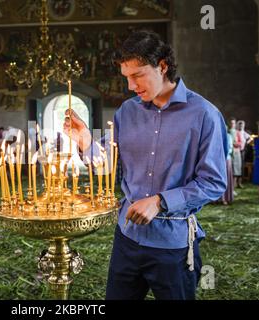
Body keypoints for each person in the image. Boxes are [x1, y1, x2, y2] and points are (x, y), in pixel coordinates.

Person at [64, 30, 227, 300]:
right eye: (126, 77)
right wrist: (84, 141)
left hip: (172, 244)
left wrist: (160, 201)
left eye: (137, 75)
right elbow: (106, 167)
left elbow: (214, 183)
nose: (131, 86)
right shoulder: (126, 113)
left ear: (162, 66)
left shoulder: (204, 115)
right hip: (127, 238)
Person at [236, 120, 252, 188]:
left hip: (242, 151)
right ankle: (235, 182)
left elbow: (250, 138)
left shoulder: (244, 133)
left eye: (242, 125)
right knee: (236, 167)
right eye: (240, 125)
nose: (241, 126)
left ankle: (240, 182)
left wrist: (246, 142)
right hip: (236, 151)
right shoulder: (236, 132)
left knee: (241, 166)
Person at [221, 126, 234, 205]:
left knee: (226, 178)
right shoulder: (216, 135)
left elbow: (230, 148)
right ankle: (217, 199)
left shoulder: (229, 136)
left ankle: (226, 198)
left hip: (226, 159)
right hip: (216, 160)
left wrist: (222, 156)